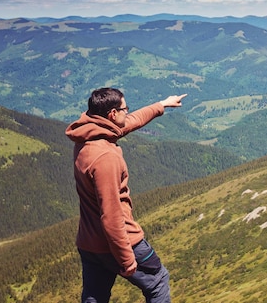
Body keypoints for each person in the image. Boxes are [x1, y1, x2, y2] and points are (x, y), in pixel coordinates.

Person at [65, 87, 187, 303]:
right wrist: (126, 258)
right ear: (112, 114)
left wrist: (162, 105)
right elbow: (111, 216)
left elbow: (129, 122)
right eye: (124, 109)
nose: (126, 112)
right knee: (158, 282)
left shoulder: (88, 137)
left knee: (94, 297)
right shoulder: (105, 158)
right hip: (120, 242)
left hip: (89, 243)